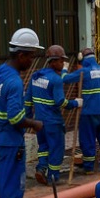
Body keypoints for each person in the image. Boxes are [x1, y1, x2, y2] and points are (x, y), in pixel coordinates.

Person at [0, 28, 45, 198]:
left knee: (12, 180)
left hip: (0, 134)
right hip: (9, 139)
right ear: (21, 55)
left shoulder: (1, 71)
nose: (32, 60)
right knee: (12, 181)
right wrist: (35, 123)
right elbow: (15, 118)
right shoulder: (13, 82)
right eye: (31, 55)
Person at [30, 45, 81, 185]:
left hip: (39, 122)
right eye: (60, 61)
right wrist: (76, 103)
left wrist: (28, 119)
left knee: (44, 148)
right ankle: (53, 177)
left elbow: (28, 100)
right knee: (56, 149)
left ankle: (41, 169)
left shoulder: (36, 76)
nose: (62, 63)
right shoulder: (55, 79)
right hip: (53, 122)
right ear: (53, 61)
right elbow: (60, 102)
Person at [63, 48, 100, 174]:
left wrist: (64, 69)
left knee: (88, 139)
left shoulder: (84, 71)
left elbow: (65, 79)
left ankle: (89, 167)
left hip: (89, 113)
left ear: (82, 59)